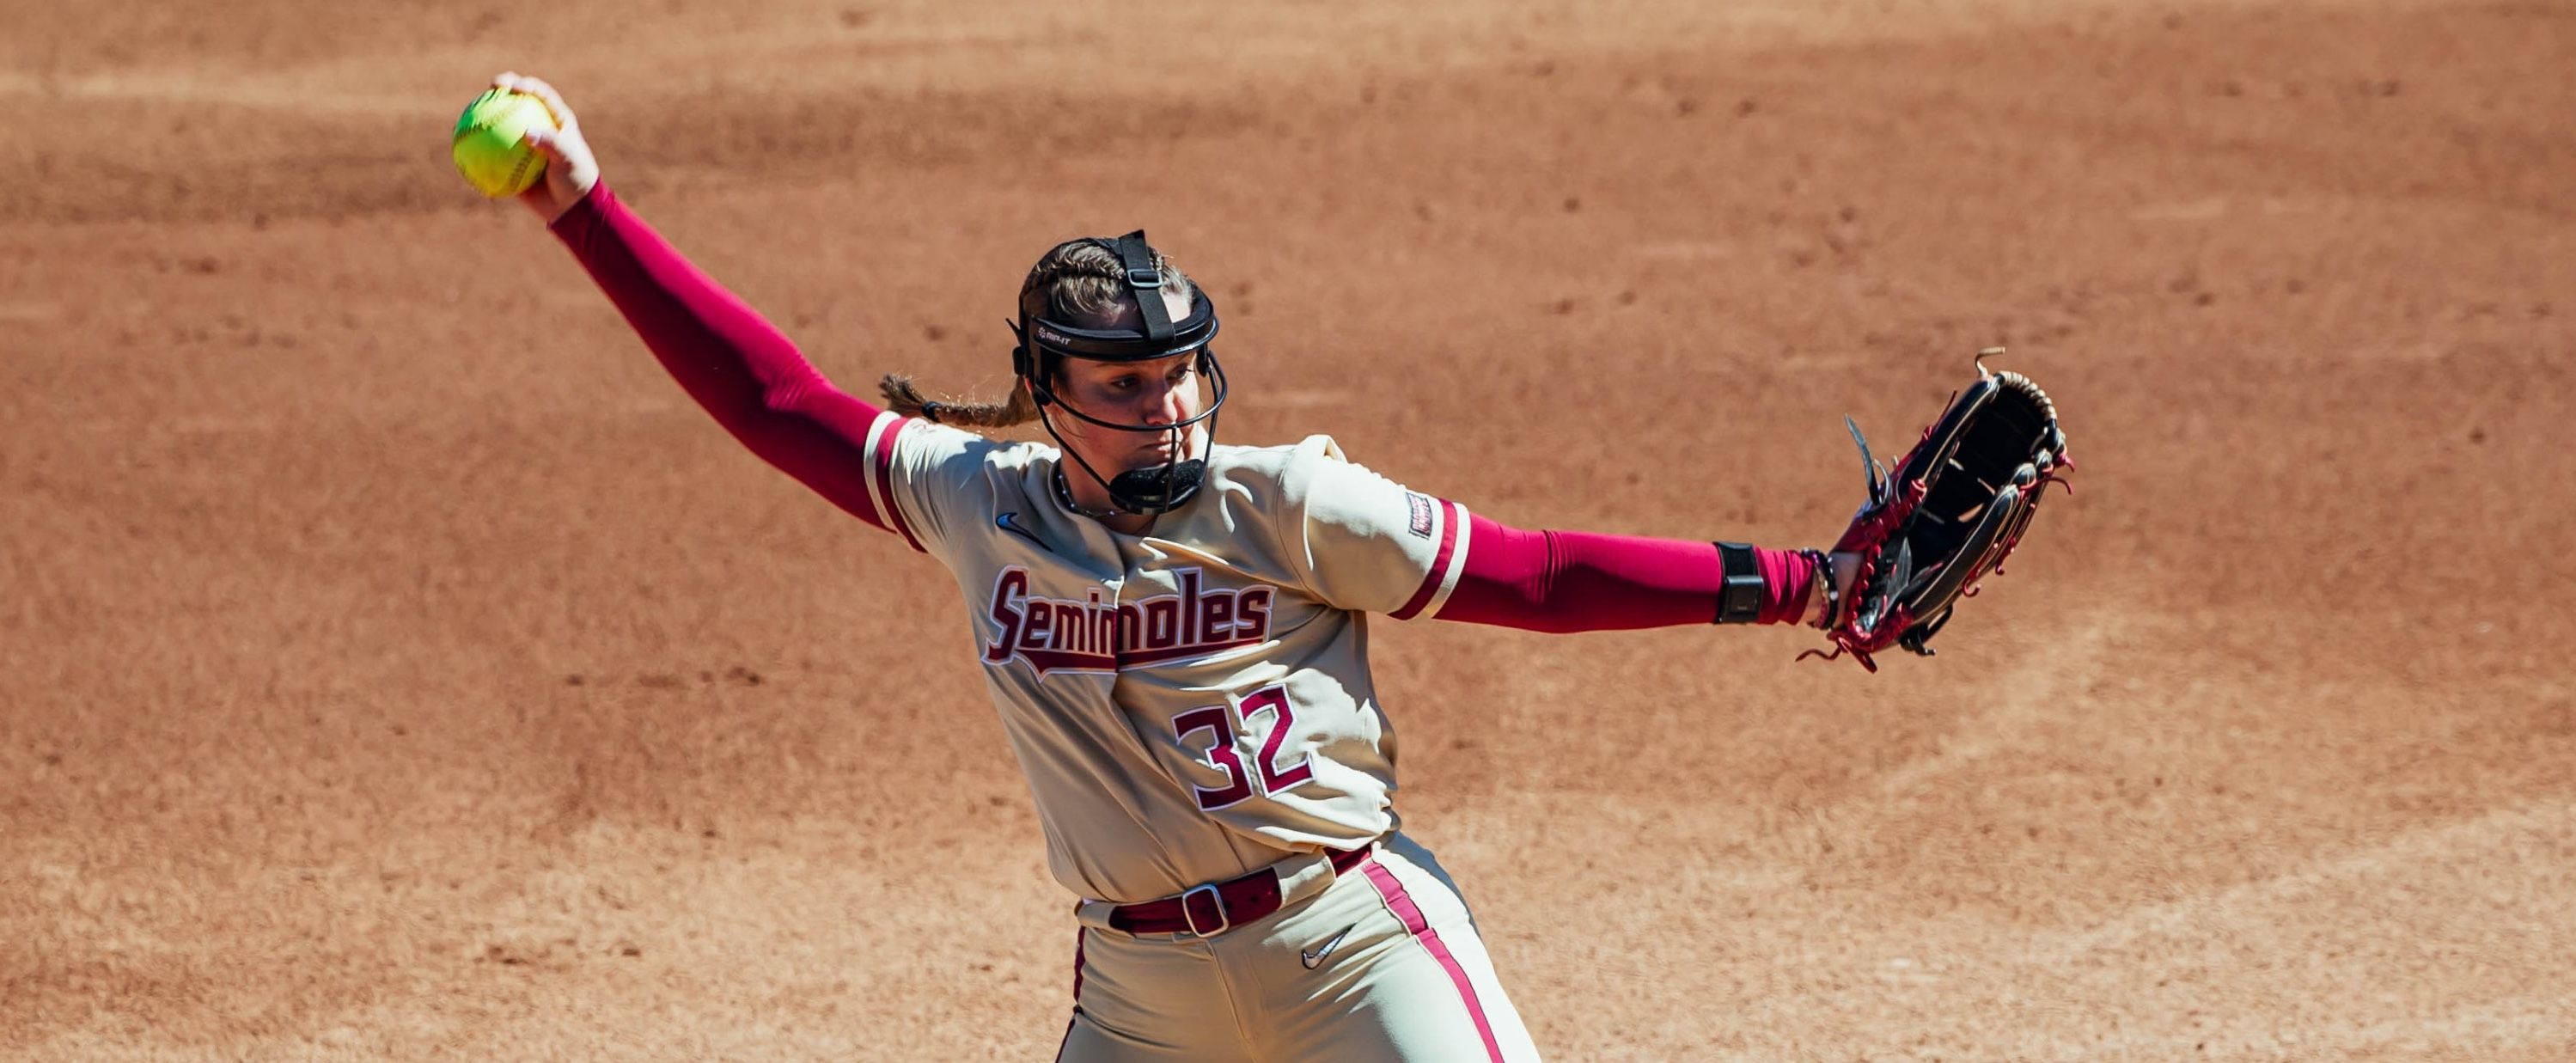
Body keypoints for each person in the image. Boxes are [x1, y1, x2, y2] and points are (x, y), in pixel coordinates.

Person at [485, 72, 1858, 1062]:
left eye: (1183, 373)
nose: (1170, 407)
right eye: (1127, 383)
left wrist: (1798, 581)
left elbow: (1538, 573)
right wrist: (581, 209)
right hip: (1138, 994)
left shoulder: (1291, 500)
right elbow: (776, 403)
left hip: (1351, 946)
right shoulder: (978, 502)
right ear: (1044, 389)